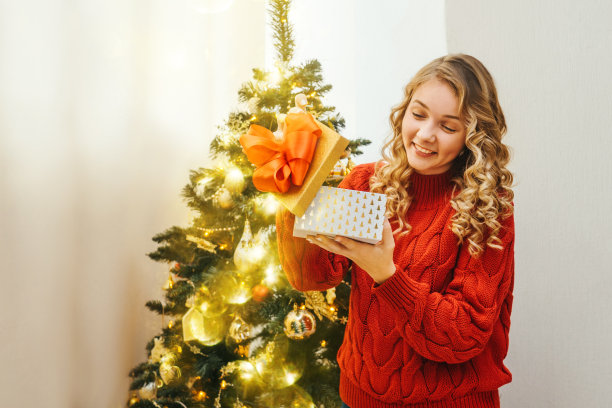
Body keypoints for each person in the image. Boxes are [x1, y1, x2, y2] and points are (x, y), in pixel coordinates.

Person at [276, 53, 515, 408]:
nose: (425, 134)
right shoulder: (367, 182)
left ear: (472, 136)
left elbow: (464, 335)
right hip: (360, 397)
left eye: (448, 126)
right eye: (418, 114)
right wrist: (293, 197)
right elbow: (313, 277)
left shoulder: (487, 208)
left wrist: (384, 272)